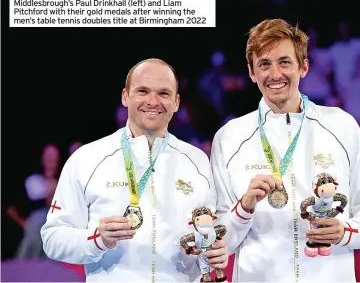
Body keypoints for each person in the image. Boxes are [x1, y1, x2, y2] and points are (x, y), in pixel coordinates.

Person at [211, 19, 360, 282]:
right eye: (264, 64)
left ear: (303, 67)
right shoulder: (230, 137)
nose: (275, 74)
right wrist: (243, 209)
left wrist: (345, 231)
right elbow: (218, 238)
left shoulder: (341, 125)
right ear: (251, 72)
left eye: (284, 62)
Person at [41, 58, 229, 282]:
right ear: (125, 96)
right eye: (143, 91)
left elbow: (209, 233)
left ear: (176, 102)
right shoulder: (87, 159)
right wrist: (96, 240)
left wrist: (213, 253)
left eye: (164, 93)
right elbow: (52, 238)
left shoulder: (197, 161)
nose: (153, 101)